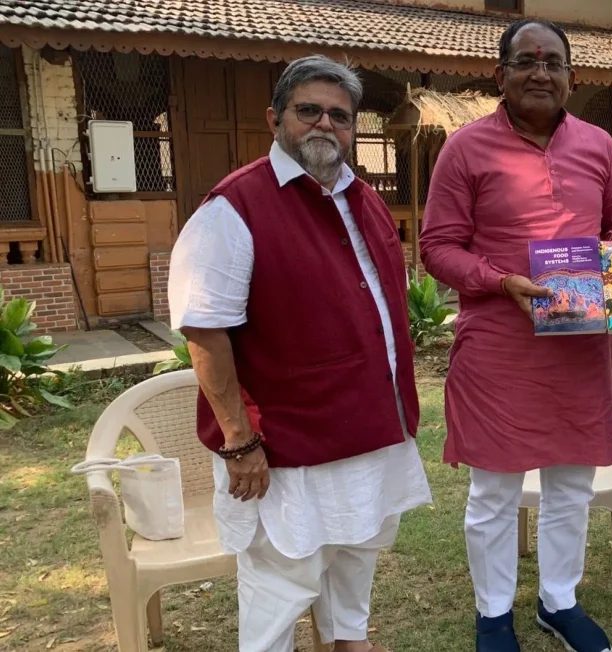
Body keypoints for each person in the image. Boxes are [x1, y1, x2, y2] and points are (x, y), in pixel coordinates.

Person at [168, 55, 431, 652]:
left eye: (340, 115)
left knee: (357, 546)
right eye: (307, 110)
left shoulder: (361, 200)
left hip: (367, 428)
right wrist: (240, 439)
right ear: (275, 118)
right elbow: (205, 331)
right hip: (288, 443)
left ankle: (347, 641)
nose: (324, 125)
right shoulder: (232, 210)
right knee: (284, 575)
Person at [419, 17, 612, 652]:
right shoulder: (464, 148)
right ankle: (493, 614)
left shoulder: (598, 145)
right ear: (501, 75)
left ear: (572, 77)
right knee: (494, 491)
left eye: (553, 61)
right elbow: (437, 248)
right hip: (499, 345)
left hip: (581, 340)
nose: (540, 71)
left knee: (570, 484)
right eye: (526, 61)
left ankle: (558, 601)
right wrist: (500, 280)